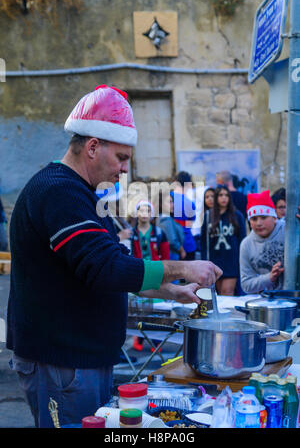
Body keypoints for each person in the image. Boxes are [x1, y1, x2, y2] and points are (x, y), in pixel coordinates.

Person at [6, 84, 223, 428]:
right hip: (64, 363)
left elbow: (113, 265)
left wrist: (169, 290)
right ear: (92, 147)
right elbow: (105, 268)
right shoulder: (59, 192)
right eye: (121, 158)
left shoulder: (83, 194)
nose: (124, 169)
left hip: (78, 362)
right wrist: (184, 268)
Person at [131, 200, 170, 352]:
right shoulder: (132, 233)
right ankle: (138, 337)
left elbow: (166, 258)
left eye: (148, 211)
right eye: (141, 210)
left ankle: (156, 340)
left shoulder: (160, 233)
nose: (144, 214)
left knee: (157, 309)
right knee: (139, 308)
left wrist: (166, 276)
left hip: (155, 275)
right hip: (138, 274)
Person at [200, 185, 246, 296]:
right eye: (220, 195)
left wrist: (242, 262)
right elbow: (203, 242)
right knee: (218, 294)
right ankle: (220, 314)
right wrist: (204, 263)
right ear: (216, 197)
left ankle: (228, 314)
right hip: (214, 261)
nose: (224, 198)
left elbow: (242, 239)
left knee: (227, 292)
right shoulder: (208, 216)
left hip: (232, 261)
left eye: (226, 195)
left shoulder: (237, 215)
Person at [240, 190, 286, 294]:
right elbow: (246, 284)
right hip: (268, 302)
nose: (259, 223)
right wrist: (269, 277)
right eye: (254, 219)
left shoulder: (289, 231)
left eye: (264, 217)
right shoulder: (246, 245)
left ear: (274, 217)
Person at [172, 171, 197, 261]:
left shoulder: (166, 200)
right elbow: (191, 223)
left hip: (170, 246)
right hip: (188, 244)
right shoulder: (190, 204)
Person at [157, 191, 185, 261]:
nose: (173, 204)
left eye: (172, 202)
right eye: (169, 202)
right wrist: (181, 250)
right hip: (172, 254)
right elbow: (172, 241)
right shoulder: (166, 220)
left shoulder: (161, 218)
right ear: (161, 204)